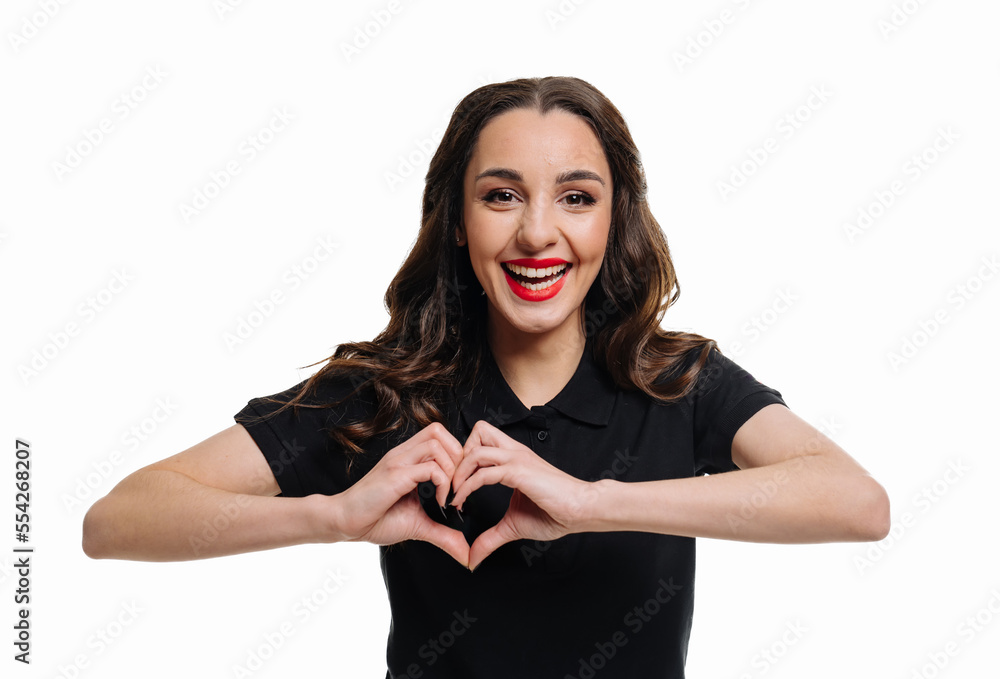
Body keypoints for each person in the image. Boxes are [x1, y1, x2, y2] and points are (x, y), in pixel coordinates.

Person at [83, 76, 890, 677]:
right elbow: (116, 520)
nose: (538, 233)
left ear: (614, 220)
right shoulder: (385, 389)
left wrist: (592, 503)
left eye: (576, 197)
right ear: (458, 220)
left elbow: (857, 504)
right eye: (501, 195)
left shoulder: (676, 377)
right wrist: (334, 515)